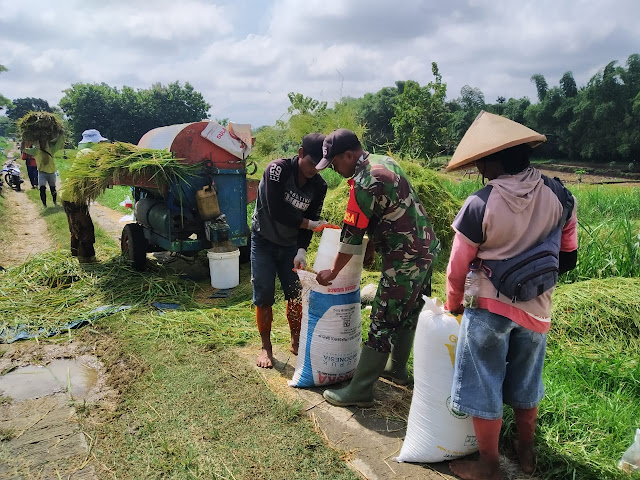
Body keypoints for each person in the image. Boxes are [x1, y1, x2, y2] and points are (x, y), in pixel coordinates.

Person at [443, 112, 578, 480]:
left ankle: (488, 465)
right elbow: (568, 257)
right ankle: (526, 450)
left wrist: (453, 303)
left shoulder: (479, 203)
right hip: (538, 309)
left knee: (482, 380)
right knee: (527, 379)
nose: (480, 170)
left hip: (489, 310)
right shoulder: (561, 195)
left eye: (481, 162)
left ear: (494, 160)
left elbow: (458, 266)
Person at [315, 129, 439, 407]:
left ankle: (359, 391)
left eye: (334, 164)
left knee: (382, 321)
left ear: (349, 155)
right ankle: (396, 369)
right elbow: (391, 211)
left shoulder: (363, 182)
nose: (334, 171)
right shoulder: (384, 162)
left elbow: (349, 238)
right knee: (410, 312)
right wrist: (372, 245)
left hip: (405, 259)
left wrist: (332, 273)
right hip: (426, 249)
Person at [251, 133, 328, 369]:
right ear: (301, 153)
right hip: (263, 239)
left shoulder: (319, 186)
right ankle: (266, 345)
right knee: (263, 294)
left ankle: (296, 337)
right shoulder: (277, 171)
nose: (314, 169)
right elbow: (277, 210)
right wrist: (308, 225)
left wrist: (302, 249)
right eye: (311, 162)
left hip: (290, 246)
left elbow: (312, 219)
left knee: (295, 293)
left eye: (320, 165)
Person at [59, 129, 109, 263]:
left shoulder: (84, 152)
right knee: (85, 229)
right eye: (99, 142)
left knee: (76, 227)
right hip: (73, 197)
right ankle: (87, 260)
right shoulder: (88, 153)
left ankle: (75, 256)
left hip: (70, 196)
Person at [25, 134, 64, 207]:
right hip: (41, 173)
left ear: (47, 142)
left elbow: (59, 141)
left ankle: (55, 202)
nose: (42, 143)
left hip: (51, 172)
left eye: (44, 142)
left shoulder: (52, 149)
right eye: (41, 142)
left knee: (53, 188)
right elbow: (24, 150)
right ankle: (44, 204)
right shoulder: (36, 151)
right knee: (42, 188)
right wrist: (24, 141)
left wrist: (61, 134)